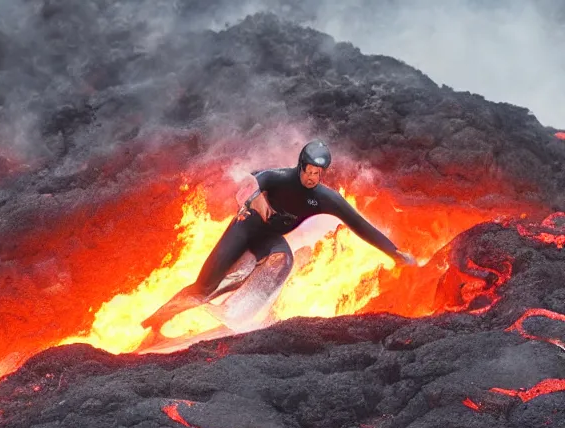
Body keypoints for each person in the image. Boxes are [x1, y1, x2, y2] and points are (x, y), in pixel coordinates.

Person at [140, 140, 416, 340]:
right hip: (244, 230)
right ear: (300, 165)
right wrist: (253, 198)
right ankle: (156, 322)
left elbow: (360, 225)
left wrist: (395, 253)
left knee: (284, 259)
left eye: (317, 172)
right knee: (204, 286)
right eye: (308, 169)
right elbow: (251, 181)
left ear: (323, 173)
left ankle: (236, 314)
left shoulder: (325, 198)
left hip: (268, 239)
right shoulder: (279, 177)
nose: (311, 176)